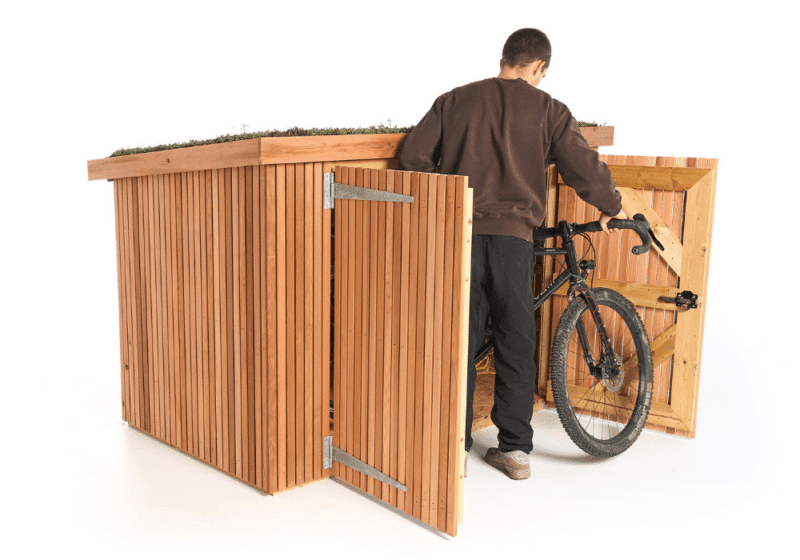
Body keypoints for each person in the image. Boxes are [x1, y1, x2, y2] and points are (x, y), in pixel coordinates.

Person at [398, 28, 625, 480]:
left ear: (505, 58)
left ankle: (452, 448)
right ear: (538, 66)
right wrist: (612, 206)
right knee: (515, 342)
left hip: (460, 237)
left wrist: (448, 203)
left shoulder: (454, 101)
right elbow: (583, 167)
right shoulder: (550, 110)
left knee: (457, 340)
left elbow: (412, 160)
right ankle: (515, 451)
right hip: (514, 242)